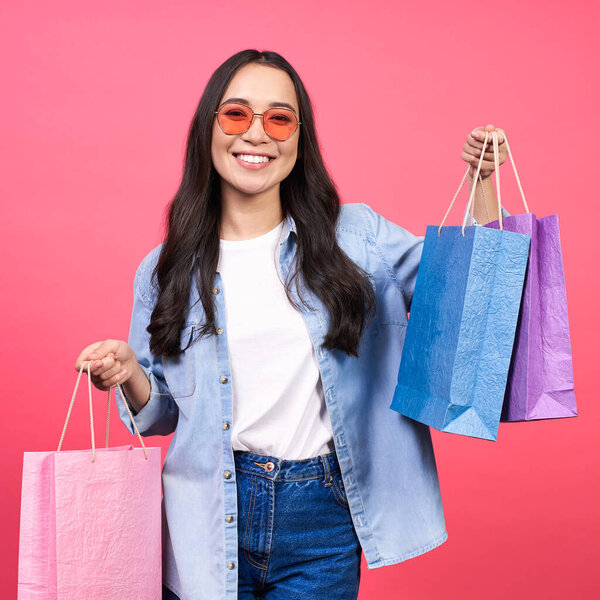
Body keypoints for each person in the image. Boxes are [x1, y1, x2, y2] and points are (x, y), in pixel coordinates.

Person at [74, 49, 509, 600]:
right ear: (209, 130)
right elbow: (157, 414)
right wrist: (129, 370)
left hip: (321, 520)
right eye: (236, 115)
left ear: (298, 139)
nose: (257, 133)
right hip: (204, 516)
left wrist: (482, 183)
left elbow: (470, 295)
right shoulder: (164, 269)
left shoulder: (358, 238)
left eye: (279, 118)